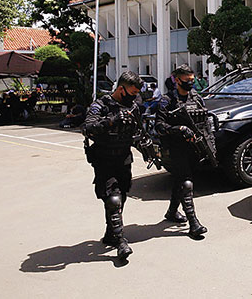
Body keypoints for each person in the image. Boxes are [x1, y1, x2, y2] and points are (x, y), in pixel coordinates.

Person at [81, 71, 144, 260]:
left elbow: (139, 130)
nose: (134, 97)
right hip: (104, 157)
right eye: (132, 92)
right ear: (120, 89)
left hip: (124, 158)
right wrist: (112, 120)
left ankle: (110, 233)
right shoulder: (100, 105)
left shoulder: (134, 107)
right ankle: (120, 241)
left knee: (122, 195)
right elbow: (88, 128)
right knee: (112, 197)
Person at [154, 64, 208, 239]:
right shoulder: (167, 100)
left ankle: (171, 212)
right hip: (176, 148)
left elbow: (205, 121)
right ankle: (193, 224)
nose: (190, 84)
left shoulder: (196, 98)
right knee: (186, 183)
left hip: (194, 147)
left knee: (181, 179)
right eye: (187, 81)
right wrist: (179, 129)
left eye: (192, 80)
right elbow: (159, 126)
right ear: (177, 80)